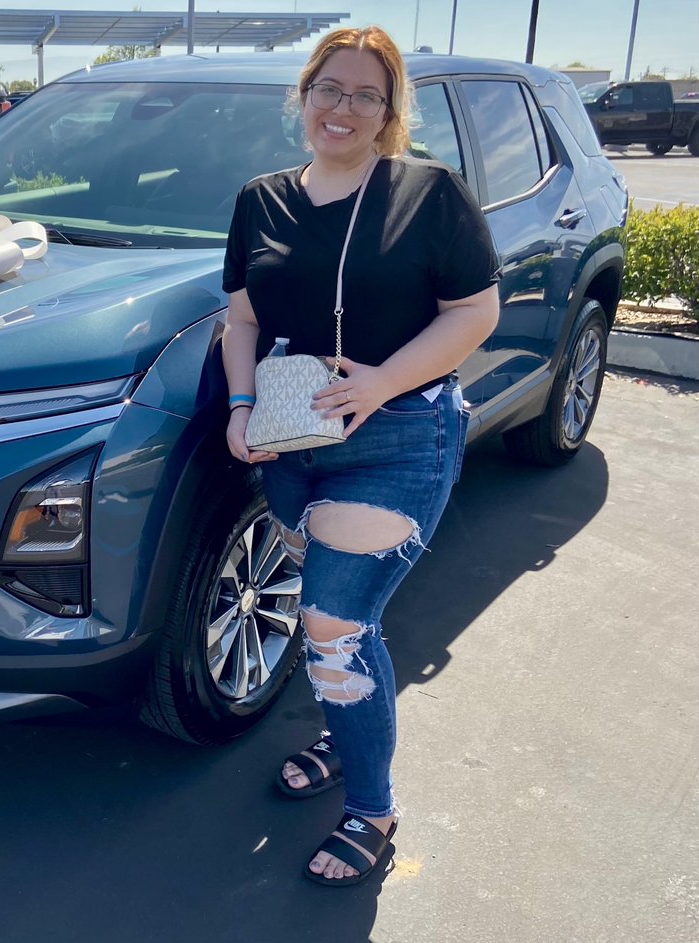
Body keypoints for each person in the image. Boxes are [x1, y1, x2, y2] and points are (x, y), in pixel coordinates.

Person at [221, 25, 500, 886]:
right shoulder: (260, 198)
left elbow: (474, 313)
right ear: (303, 96)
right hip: (290, 442)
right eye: (328, 89)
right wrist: (238, 404)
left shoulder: (428, 192)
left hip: (397, 435)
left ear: (389, 111)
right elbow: (242, 319)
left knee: (335, 627)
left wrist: (379, 384)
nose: (344, 108)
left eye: (365, 95)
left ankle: (373, 811)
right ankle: (345, 737)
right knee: (326, 617)